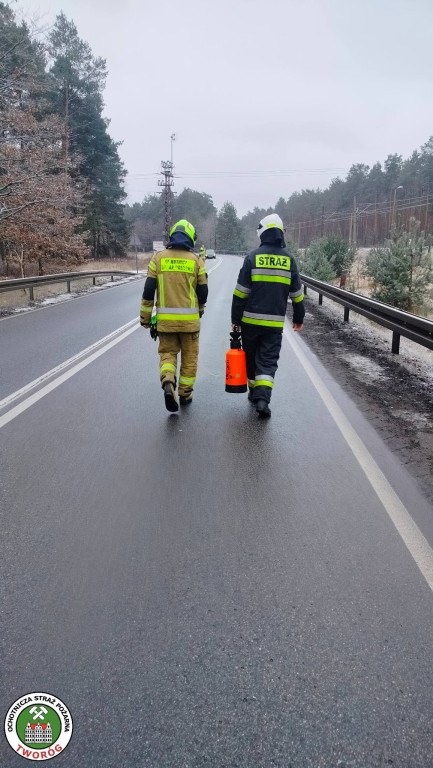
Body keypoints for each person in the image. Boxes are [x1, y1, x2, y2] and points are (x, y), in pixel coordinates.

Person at [231, 212, 304, 418]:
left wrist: (235, 321)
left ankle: (254, 392)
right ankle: (262, 399)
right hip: (273, 325)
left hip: (249, 323)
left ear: (262, 233)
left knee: (252, 359)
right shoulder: (289, 260)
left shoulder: (252, 258)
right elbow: (297, 296)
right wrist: (299, 318)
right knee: (268, 360)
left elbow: (240, 294)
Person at [140, 219, 208, 412]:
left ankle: (168, 380)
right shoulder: (196, 261)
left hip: (166, 324)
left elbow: (148, 291)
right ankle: (185, 394)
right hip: (190, 325)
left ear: (172, 236)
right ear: (191, 238)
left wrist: (145, 318)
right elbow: (203, 292)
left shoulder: (158, 259)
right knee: (189, 358)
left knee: (167, 355)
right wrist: (200, 310)